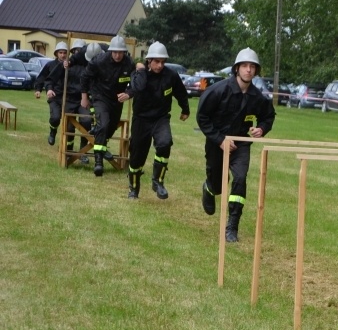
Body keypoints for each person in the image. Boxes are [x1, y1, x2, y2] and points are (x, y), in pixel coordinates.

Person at [196, 48, 276, 243]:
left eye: (252, 67)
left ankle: (232, 226)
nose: (249, 70)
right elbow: (202, 117)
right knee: (218, 185)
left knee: (240, 179)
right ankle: (209, 188)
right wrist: (220, 139)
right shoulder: (218, 90)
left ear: (256, 71)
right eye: (245, 66)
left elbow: (268, 116)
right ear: (237, 69)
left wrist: (262, 129)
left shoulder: (258, 97)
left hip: (241, 144)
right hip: (217, 143)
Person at [126, 42, 190, 200]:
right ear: (149, 61)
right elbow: (134, 88)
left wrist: (185, 109)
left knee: (165, 143)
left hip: (160, 118)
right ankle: (134, 189)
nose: (160, 65)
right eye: (157, 62)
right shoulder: (140, 74)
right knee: (136, 156)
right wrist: (139, 72)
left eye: (163, 62)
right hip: (141, 119)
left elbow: (181, 93)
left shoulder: (171, 75)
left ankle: (158, 181)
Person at [80, 36, 135, 176]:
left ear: (124, 52)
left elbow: (135, 82)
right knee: (103, 124)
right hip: (100, 97)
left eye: (120, 52)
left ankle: (101, 146)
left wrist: (128, 93)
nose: (117, 55)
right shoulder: (99, 61)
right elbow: (85, 77)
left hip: (117, 100)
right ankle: (98, 162)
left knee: (110, 128)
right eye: (115, 52)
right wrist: (84, 97)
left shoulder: (129, 63)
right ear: (110, 51)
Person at [45, 38, 90, 154]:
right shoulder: (66, 64)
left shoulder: (90, 65)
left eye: (81, 51)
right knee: (69, 128)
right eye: (76, 51)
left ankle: (82, 151)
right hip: (68, 100)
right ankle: (68, 152)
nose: (78, 53)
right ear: (73, 51)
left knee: (86, 121)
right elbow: (51, 78)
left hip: (82, 100)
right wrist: (49, 89)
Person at [38, 41, 69, 145]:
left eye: (65, 53)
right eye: (60, 52)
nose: (63, 55)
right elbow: (42, 77)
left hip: (68, 97)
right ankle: (52, 132)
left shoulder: (71, 65)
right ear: (56, 53)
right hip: (54, 96)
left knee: (69, 124)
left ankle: (67, 147)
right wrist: (38, 89)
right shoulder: (50, 65)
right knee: (55, 118)